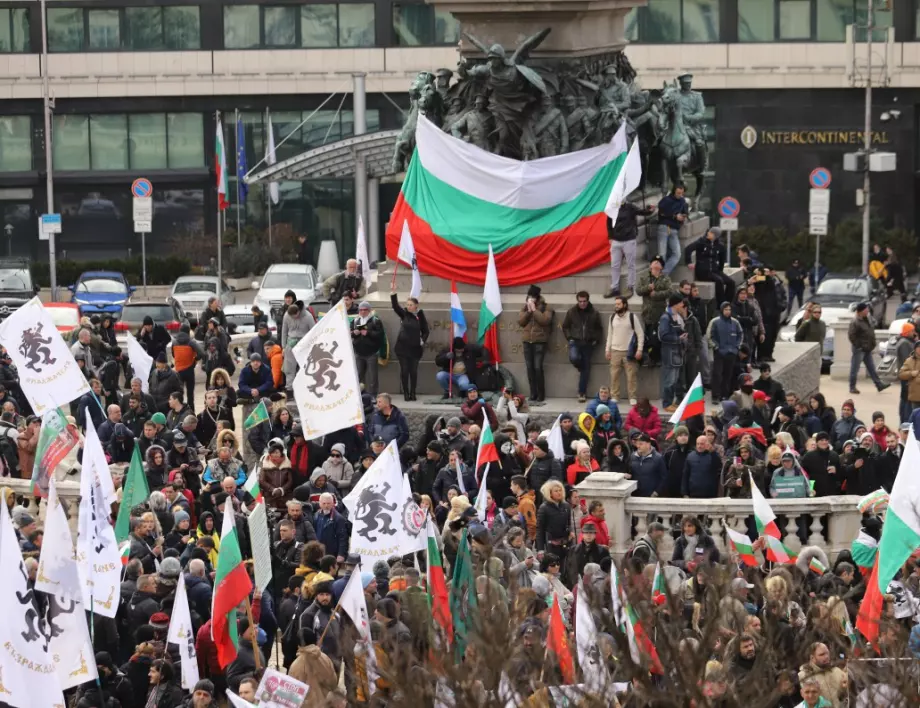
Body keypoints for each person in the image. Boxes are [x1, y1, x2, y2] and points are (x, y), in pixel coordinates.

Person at [605, 198, 655, 298]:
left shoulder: (630, 207)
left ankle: (630, 287)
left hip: (629, 240)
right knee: (615, 265)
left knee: (630, 265)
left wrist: (649, 210)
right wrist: (610, 237)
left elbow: (642, 212)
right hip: (616, 240)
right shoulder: (612, 208)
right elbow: (609, 223)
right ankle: (615, 288)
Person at [562, 291, 603, 402]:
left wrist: (595, 339)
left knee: (586, 370)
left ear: (588, 301)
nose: (582, 304)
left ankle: (582, 393)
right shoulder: (572, 312)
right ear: (577, 301)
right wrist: (569, 337)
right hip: (575, 341)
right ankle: (579, 366)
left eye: (584, 301)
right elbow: (565, 326)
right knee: (574, 358)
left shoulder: (594, 313)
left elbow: (599, 328)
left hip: (588, 343)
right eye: (580, 301)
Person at [390, 288, 429, 401]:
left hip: (415, 349)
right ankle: (406, 393)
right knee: (405, 370)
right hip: (402, 348)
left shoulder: (420, 315)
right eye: (407, 304)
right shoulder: (404, 314)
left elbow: (426, 331)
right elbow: (395, 306)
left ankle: (413, 392)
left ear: (416, 305)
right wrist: (393, 293)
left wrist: (422, 340)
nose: (408, 306)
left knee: (413, 371)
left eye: (411, 304)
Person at [518, 285, 554, 402]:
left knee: (538, 367)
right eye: (529, 297)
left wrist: (535, 310)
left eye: (532, 297)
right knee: (529, 368)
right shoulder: (525, 307)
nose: (530, 299)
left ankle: (541, 394)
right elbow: (521, 322)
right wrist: (529, 311)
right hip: (527, 341)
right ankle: (533, 393)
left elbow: (545, 320)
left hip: (540, 341)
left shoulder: (546, 307)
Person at [606, 296, 644, 405]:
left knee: (631, 376)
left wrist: (639, 350)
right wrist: (607, 349)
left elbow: (640, 334)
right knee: (614, 375)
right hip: (615, 351)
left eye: (618, 304)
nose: (616, 306)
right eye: (615, 304)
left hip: (629, 351)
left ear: (625, 305)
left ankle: (632, 396)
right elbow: (610, 334)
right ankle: (615, 396)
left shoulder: (632, 317)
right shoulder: (612, 317)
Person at [685, 226, 733, 306]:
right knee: (719, 281)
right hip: (703, 271)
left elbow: (722, 259)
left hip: (714, 270)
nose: (709, 234)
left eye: (712, 233)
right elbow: (688, 249)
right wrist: (689, 262)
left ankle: (727, 303)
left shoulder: (719, 246)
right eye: (709, 232)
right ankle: (721, 305)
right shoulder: (701, 242)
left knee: (731, 282)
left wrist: (720, 270)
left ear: (716, 236)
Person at [848, 303, 889, 395]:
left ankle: (879, 385)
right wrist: (859, 346)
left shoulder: (867, 319)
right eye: (866, 310)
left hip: (867, 348)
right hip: (860, 349)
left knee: (871, 368)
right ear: (860, 311)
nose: (867, 311)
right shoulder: (855, 321)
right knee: (855, 368)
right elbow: (852, 335)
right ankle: (852, 387)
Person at [637, 256, 672, 363]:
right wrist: (648, 288)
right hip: (647, 312)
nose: (656, 263)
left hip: (659, 313)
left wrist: (656, 294)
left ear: (661, 267)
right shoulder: (644, 278)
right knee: (648, 336)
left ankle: (657, 358)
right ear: (650, 266)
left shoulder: (665, 279)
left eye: (659, 263)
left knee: (658, 337)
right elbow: (638, 290)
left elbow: (669, 292)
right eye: (654, 262)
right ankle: (648, 357)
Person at [708, 301, 744, 404]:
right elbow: (709, 335)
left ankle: (724, 395)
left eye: (729, 309)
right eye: (726, 309)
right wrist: (716, 347)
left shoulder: (735, 322)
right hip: (720, 353)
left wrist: (737, 347)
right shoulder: (715, 322)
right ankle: (715, 396)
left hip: (731, 353)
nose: (728, 312)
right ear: (721, 310)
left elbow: (740, 334)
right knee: (717, 374)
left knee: (728, 375)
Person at [658, 294, 687, 412]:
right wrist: (678, 338)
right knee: (669, 380)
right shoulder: (665, 318)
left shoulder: (676, 316)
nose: (683, 305)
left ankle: (671, 401)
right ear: (676, 304)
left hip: (676, 353)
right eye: (681, 303)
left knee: (674, 380)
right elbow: (663, 335)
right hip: (669, 353)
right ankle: (666, 403)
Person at [351, 300, 384, 397]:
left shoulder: (375, 321)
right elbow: (350, 332)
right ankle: (360, 395)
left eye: (365, 310)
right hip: (359, 352)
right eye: (360, 310)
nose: (362, 312)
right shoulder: (356, 320)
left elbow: (380, 335)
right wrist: (354, 333)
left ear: (369, 310)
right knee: (359, 375)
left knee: (372, 376)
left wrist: (368, 333)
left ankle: (373, 395)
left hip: (371, 353)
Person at [656, 183, 689, 275]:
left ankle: (663, 273)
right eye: (678, 193)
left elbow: (685, 212)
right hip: (664, 227)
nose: (680, 195)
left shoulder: (683, 201)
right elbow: (661, 212)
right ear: (674, 191)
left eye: (681, 193)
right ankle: (658, 274)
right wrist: (674, 216)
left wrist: (684, 215)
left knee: (677, 254)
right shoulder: (666, 200)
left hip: (674, 229)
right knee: (662, 253)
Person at [281, 301, 316, 386]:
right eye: (291, 316)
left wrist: (312, 346)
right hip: (291, 343)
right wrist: (284, 346)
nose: (293, 318)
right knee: (289, 368)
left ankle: (306, 387)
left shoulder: (308, 316)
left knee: (305, 367)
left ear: (299, 312)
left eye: (295, 316)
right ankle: (289, 388)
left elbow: (314, 332)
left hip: (304, 344)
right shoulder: (286, 315)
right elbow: (284, 331)